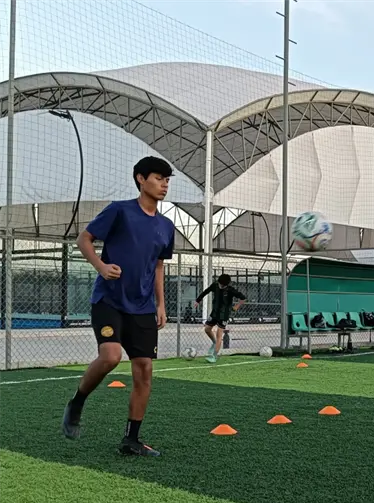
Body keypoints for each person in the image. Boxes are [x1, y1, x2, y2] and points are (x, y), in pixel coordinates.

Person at [61, 156, 176, 457]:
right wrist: (100, 266)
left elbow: (159, 265)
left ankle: (131, 440)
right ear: (141, 179)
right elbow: (84, 238)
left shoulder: (166, 226)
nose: (164, 184)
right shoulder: (120, 211)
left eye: (167, 179)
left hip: (143, 307)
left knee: (144, 371)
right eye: (158, 177)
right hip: (109, 300)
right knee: (111, 356)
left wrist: (161, 304)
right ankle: (77, 402)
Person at [193, 273, 247, 363]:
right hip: (214, 312)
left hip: (224, 315)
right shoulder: (215, 285)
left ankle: (214, 356)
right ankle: (214, 343)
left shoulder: (231, 290)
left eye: (223, 285)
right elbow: (206, 291)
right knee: (207, 329)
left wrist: (237, 306)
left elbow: (243, 298)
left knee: (219, 334)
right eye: (220, 284)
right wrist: (198, 300)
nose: (221, 286)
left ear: (227, 284)